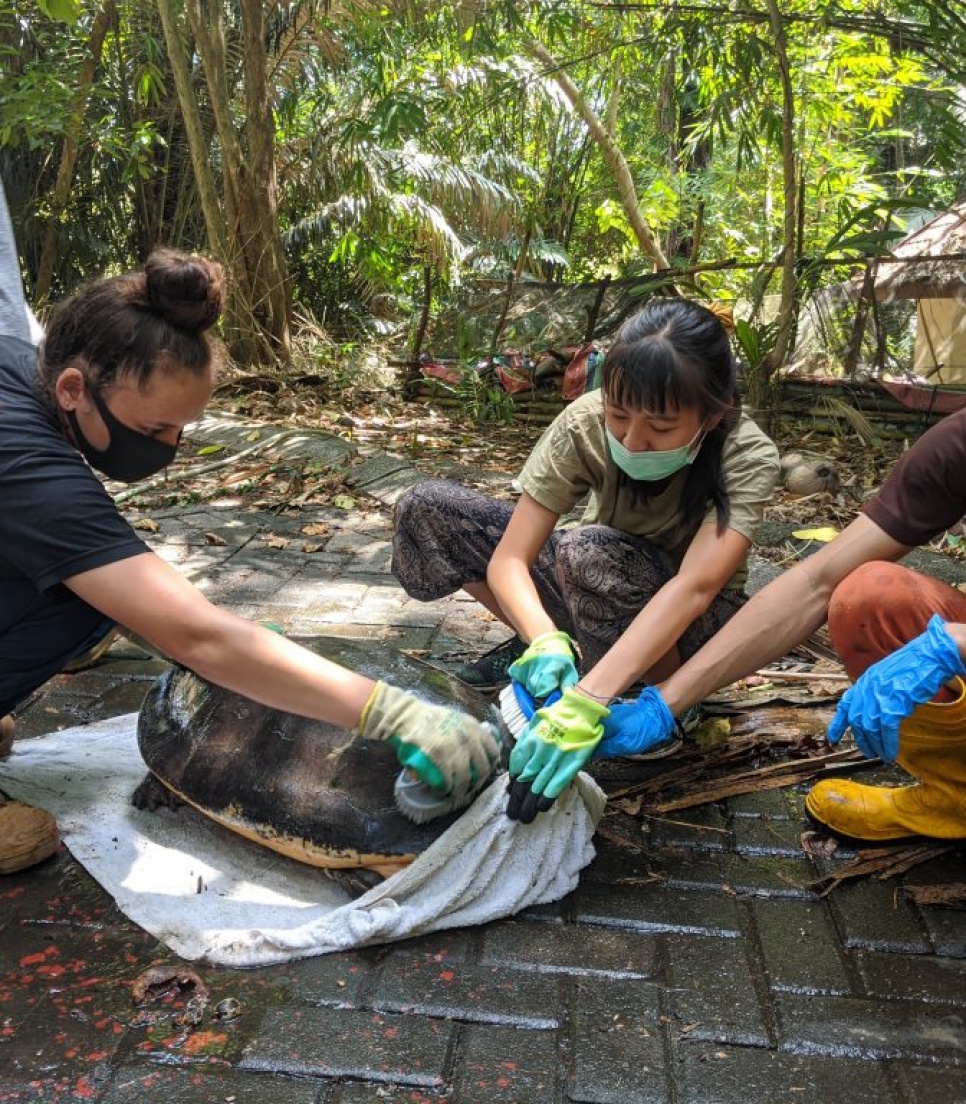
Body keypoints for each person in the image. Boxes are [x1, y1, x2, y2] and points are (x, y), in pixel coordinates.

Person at [0, 246, 499, 874]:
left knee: (92, 597)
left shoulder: (29, 371)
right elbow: (195, 635)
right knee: (98, 597)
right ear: (75, 389)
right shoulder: (19, 455)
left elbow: (141, 596)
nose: (169, 449)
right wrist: (391, 711)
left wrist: (245, 650)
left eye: (181, 431)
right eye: (155, 431)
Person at [392, 298, 780, 822]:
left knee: (588, 553)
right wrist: (543, 639)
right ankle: (563, 656)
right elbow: (511, 558)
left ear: (711, 415)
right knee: (427, 508)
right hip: (589, 583)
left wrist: (591, 699)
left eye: (661, 428)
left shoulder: (746, 454)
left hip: (689, 630)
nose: (632, 439)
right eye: (618, 415)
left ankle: (653, 698)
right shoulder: (584, 422)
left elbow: (695, 588)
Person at [598, 403, 966, 844]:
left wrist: (953, 645)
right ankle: (954, 798)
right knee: (872, 597)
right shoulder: (955, 447)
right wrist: (665, 702)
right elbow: (815, 582)